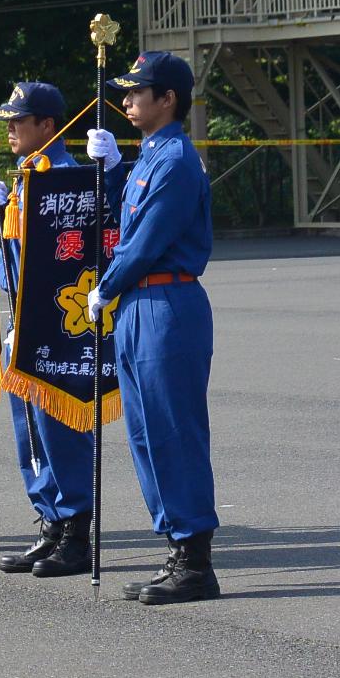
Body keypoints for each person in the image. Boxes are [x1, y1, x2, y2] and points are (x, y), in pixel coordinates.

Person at [83, 52, 219, 604]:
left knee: (172, 429)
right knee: (143, 432)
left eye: (139, 92)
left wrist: (106, 283)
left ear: (169, 99)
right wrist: (114, 169)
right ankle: (175, 547)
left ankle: (194, 558)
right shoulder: (147, 157)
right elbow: (126, 217)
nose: (127, 101)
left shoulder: (176, 159)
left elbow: (147, 239)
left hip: (166, 297)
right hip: (139, 303)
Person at [0, 82, 97, 577]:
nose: (8, 130)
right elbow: (13, 263)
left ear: (47, 126)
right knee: (28, 432)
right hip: (23, 319)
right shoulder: (25, 179)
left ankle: (75, 531)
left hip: (58, 324)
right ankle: (49, 521)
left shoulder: (70, 180)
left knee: (60, 429)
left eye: (18, 121)